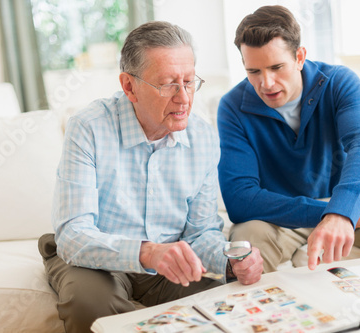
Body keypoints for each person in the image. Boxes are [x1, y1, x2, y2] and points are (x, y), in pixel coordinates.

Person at [38, 21, 264, 333]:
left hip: (167, 261)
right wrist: (147, 252)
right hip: (95, 259)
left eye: (189, 82)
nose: (183, 98)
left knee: (227, 304)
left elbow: (199, 234)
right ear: (129, 86)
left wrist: (231, 260)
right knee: (90, 305)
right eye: (169, 84)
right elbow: (74, 236)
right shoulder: (88, 127)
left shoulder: (202, 137)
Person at [217, 5, 360, 273]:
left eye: (276, 67)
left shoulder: (338, 82)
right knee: (248, 243)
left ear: (300, 57)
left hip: (343, 206)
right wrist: (331, 212)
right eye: (253, 71)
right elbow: (240, 199)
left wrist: (343, 210)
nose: (266, 83)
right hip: (276, 218)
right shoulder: (232, 107)